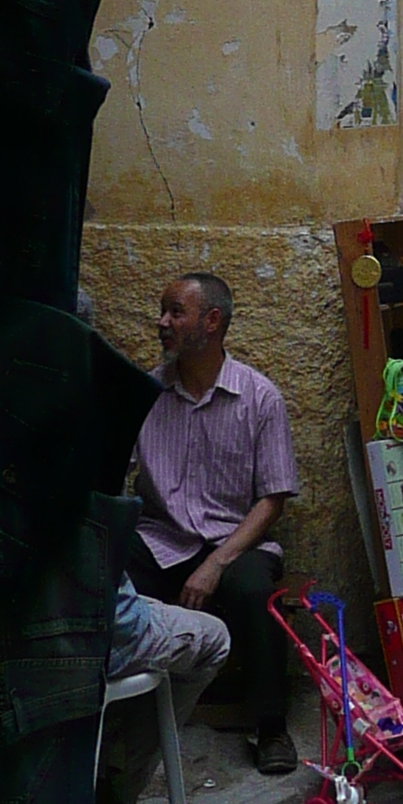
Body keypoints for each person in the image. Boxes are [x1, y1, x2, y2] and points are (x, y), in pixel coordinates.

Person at [128, 270, 300, 774]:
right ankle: (121, 716)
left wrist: (219, 562)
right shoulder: (144, 393)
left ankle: (270, 728)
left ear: (212, 321)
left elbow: (272, 498)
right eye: (162, 311)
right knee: (109, 578)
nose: (162, 323)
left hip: (234, 543)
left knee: (254, 593)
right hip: (161, 538)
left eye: (174, 312)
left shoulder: (259, 398)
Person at [94, 571, 231, 804]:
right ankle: (112, 793)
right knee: (215, 638)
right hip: (95, 634)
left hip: (18, 633)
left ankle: (101, 782)